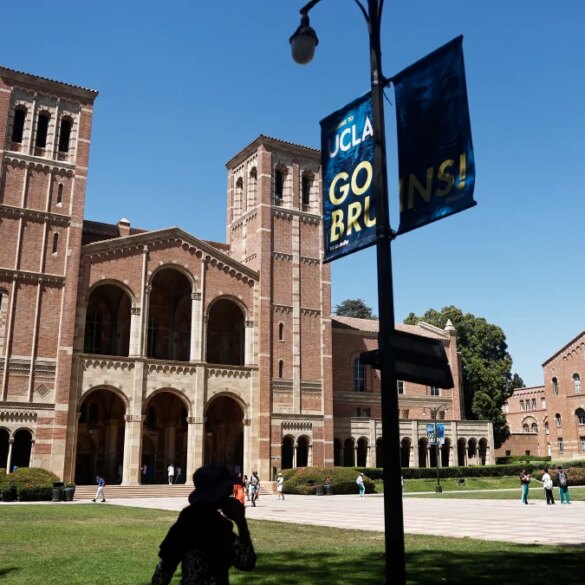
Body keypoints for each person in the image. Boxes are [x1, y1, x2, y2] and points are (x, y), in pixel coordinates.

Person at [151, 464, 256, 585]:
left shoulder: (186, 521)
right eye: (227, 492)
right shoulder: (220, 527)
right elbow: (247, 562)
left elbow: (165, 568)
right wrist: (241, 521)